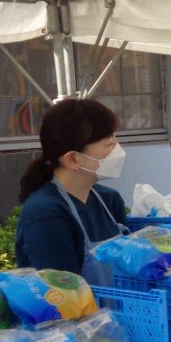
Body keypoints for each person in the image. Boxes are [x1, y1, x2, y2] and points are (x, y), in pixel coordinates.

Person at [14, 98, 129, 282]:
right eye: (109, 143)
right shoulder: (45, 213)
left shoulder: (109, 200)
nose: (118, 149)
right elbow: (64, 295)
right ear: (73, 159)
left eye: (115, 137)